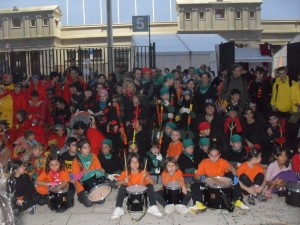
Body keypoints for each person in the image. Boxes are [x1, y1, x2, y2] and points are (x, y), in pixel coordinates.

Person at [189, 145, 249, 213]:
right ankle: (198, 204)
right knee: (194, 185)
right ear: (208, 155)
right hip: (208, 185)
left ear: (219, 155)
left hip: (221, 182)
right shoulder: (204, 162)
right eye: (212, 156)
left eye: (216, 156)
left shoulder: (223, 162)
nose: (214, 158)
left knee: (233, 177)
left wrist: (235, 176)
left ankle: (238, 200)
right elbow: (196, 177)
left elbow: (232, 169)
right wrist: (200, 177)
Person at [111, 153, 162, 219]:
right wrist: (123, 181)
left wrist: (147, 177)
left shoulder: (143, 172)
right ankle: (118, 208)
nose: (135, 164)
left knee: (149, 185)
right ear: (129, 163)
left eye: (136, 161)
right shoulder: (125, 172)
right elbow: (116, 183)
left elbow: (153, 183)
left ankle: (153, 206)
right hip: (129, 193)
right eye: (132, 162)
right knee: (122, 187)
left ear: (139, 163)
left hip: (142, 193)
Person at [71, 138, 105, 207]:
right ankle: (80, 196)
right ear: (79, 149)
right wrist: (82, 173)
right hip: (82, 186)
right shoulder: (76, 160)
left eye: (88, 147)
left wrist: (101, 170)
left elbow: (98, 170)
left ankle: (88, 196)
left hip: (94, 184)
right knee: (89, 204)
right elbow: (73, 177)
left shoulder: (93, 156)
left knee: (101, 201)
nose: (88, 149)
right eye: (85, 148)